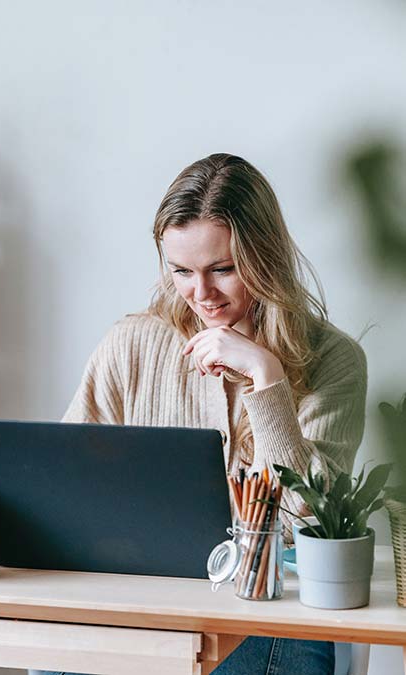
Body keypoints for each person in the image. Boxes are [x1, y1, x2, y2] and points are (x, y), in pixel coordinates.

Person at [31, 153, 366, 675]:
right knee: (51, 653)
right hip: (149, 598)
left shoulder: (334, 361)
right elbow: (66, 477)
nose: (201, 294)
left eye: (223, 269)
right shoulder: (131, 344)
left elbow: (312, 516)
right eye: (181, 271)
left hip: (270, 613)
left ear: (265, 258)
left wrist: (268, 376)